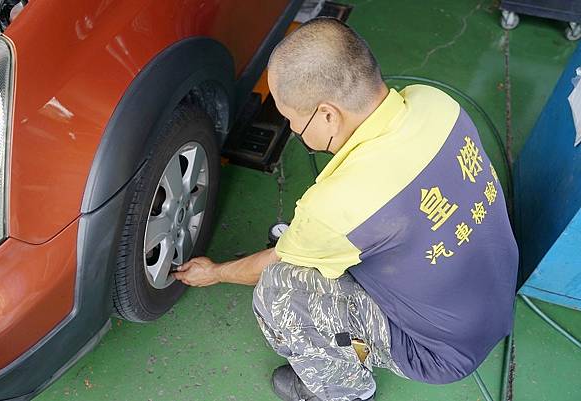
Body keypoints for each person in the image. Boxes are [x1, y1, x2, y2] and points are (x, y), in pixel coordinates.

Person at [174, 17, 518, 401]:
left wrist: (215, 272)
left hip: (438, 352)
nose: (295, 131)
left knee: (278, 291)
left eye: (292, 121)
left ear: (327, 114)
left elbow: (272, 263)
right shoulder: (437, 103)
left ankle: (344, 391)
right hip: (494, 296)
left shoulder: (338, 205)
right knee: (349, 238)